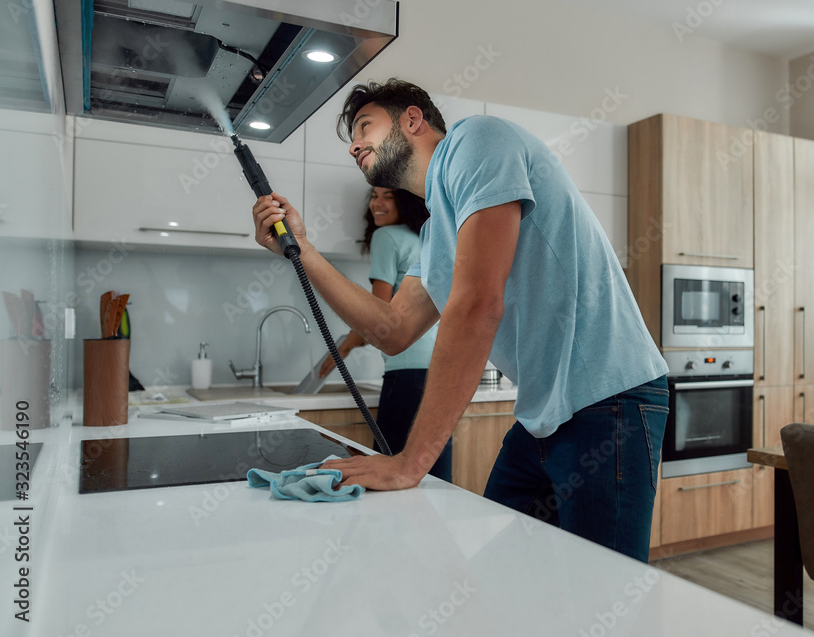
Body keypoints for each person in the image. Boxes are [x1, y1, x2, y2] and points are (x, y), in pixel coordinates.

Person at [252, 79, 668, 562]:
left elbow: (477, 306)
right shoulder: (437, 230)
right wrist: (301, 251)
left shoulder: (477, 140)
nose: (354, 143)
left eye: (365, 125)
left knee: (604, 594)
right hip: (543, 416)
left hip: (609, 400)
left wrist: (410, 463)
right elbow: (392, 330)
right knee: (508, 583)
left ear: (413, 119)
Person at [337, 186, 451, 481]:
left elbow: (377, 315)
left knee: (388, 470)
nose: (378, 203)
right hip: (438, 370)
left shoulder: (385, 237)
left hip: (407, 371)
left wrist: (341, 349)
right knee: (433, 476)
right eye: (374, 196)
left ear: (405, 202)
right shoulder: (425, 239)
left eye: (388, 196)